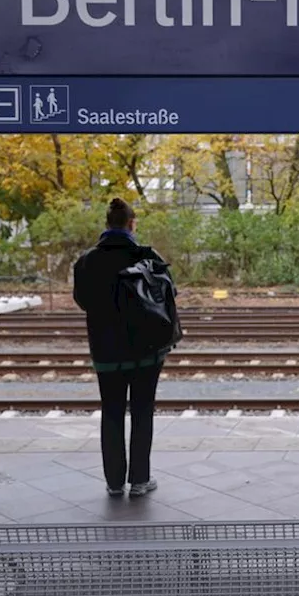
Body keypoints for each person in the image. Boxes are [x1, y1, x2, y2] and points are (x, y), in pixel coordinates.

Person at [73, 198, 173, 498]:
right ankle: (140, 480)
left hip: (106, 352)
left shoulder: (87, 261)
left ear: (107, 224)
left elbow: (83, 301)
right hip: (147, 351)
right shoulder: (146, 256)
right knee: (143, 411)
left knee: (112, 412)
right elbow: (167, 297)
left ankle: (114, 482)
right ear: (132, 224)